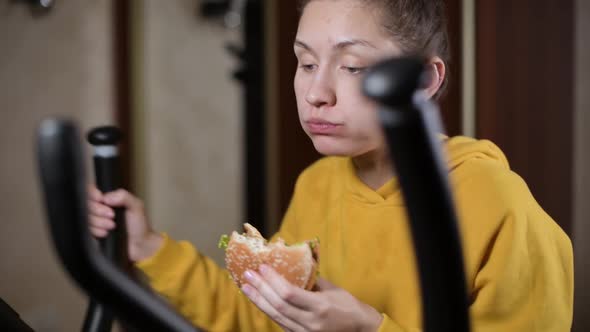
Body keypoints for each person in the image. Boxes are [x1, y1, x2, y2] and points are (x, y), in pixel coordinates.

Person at [88, 0, 574, 331]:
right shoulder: (317, 184)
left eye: (352, 66)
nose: (316, 94)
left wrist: (369, 327)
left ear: (424, 79)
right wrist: (148, 246)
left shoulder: (499, 205)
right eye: (305, 63)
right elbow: (264, 318)